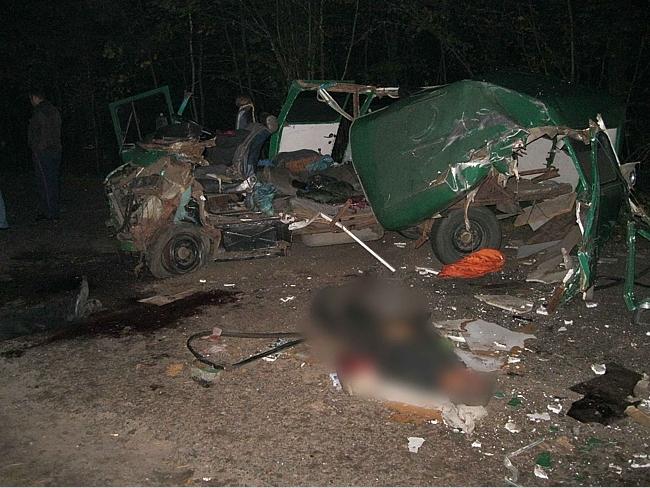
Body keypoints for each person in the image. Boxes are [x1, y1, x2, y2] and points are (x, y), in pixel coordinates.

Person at [28, 88, 62, 221]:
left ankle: (50, 212)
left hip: (43, 151)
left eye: (31, 99)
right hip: (56, 149)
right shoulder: (54, 110)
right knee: (53, 180)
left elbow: (38, 131)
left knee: (45, 182)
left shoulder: (39, 112)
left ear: (35, 97)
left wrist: (36, 147)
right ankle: (51, 209)